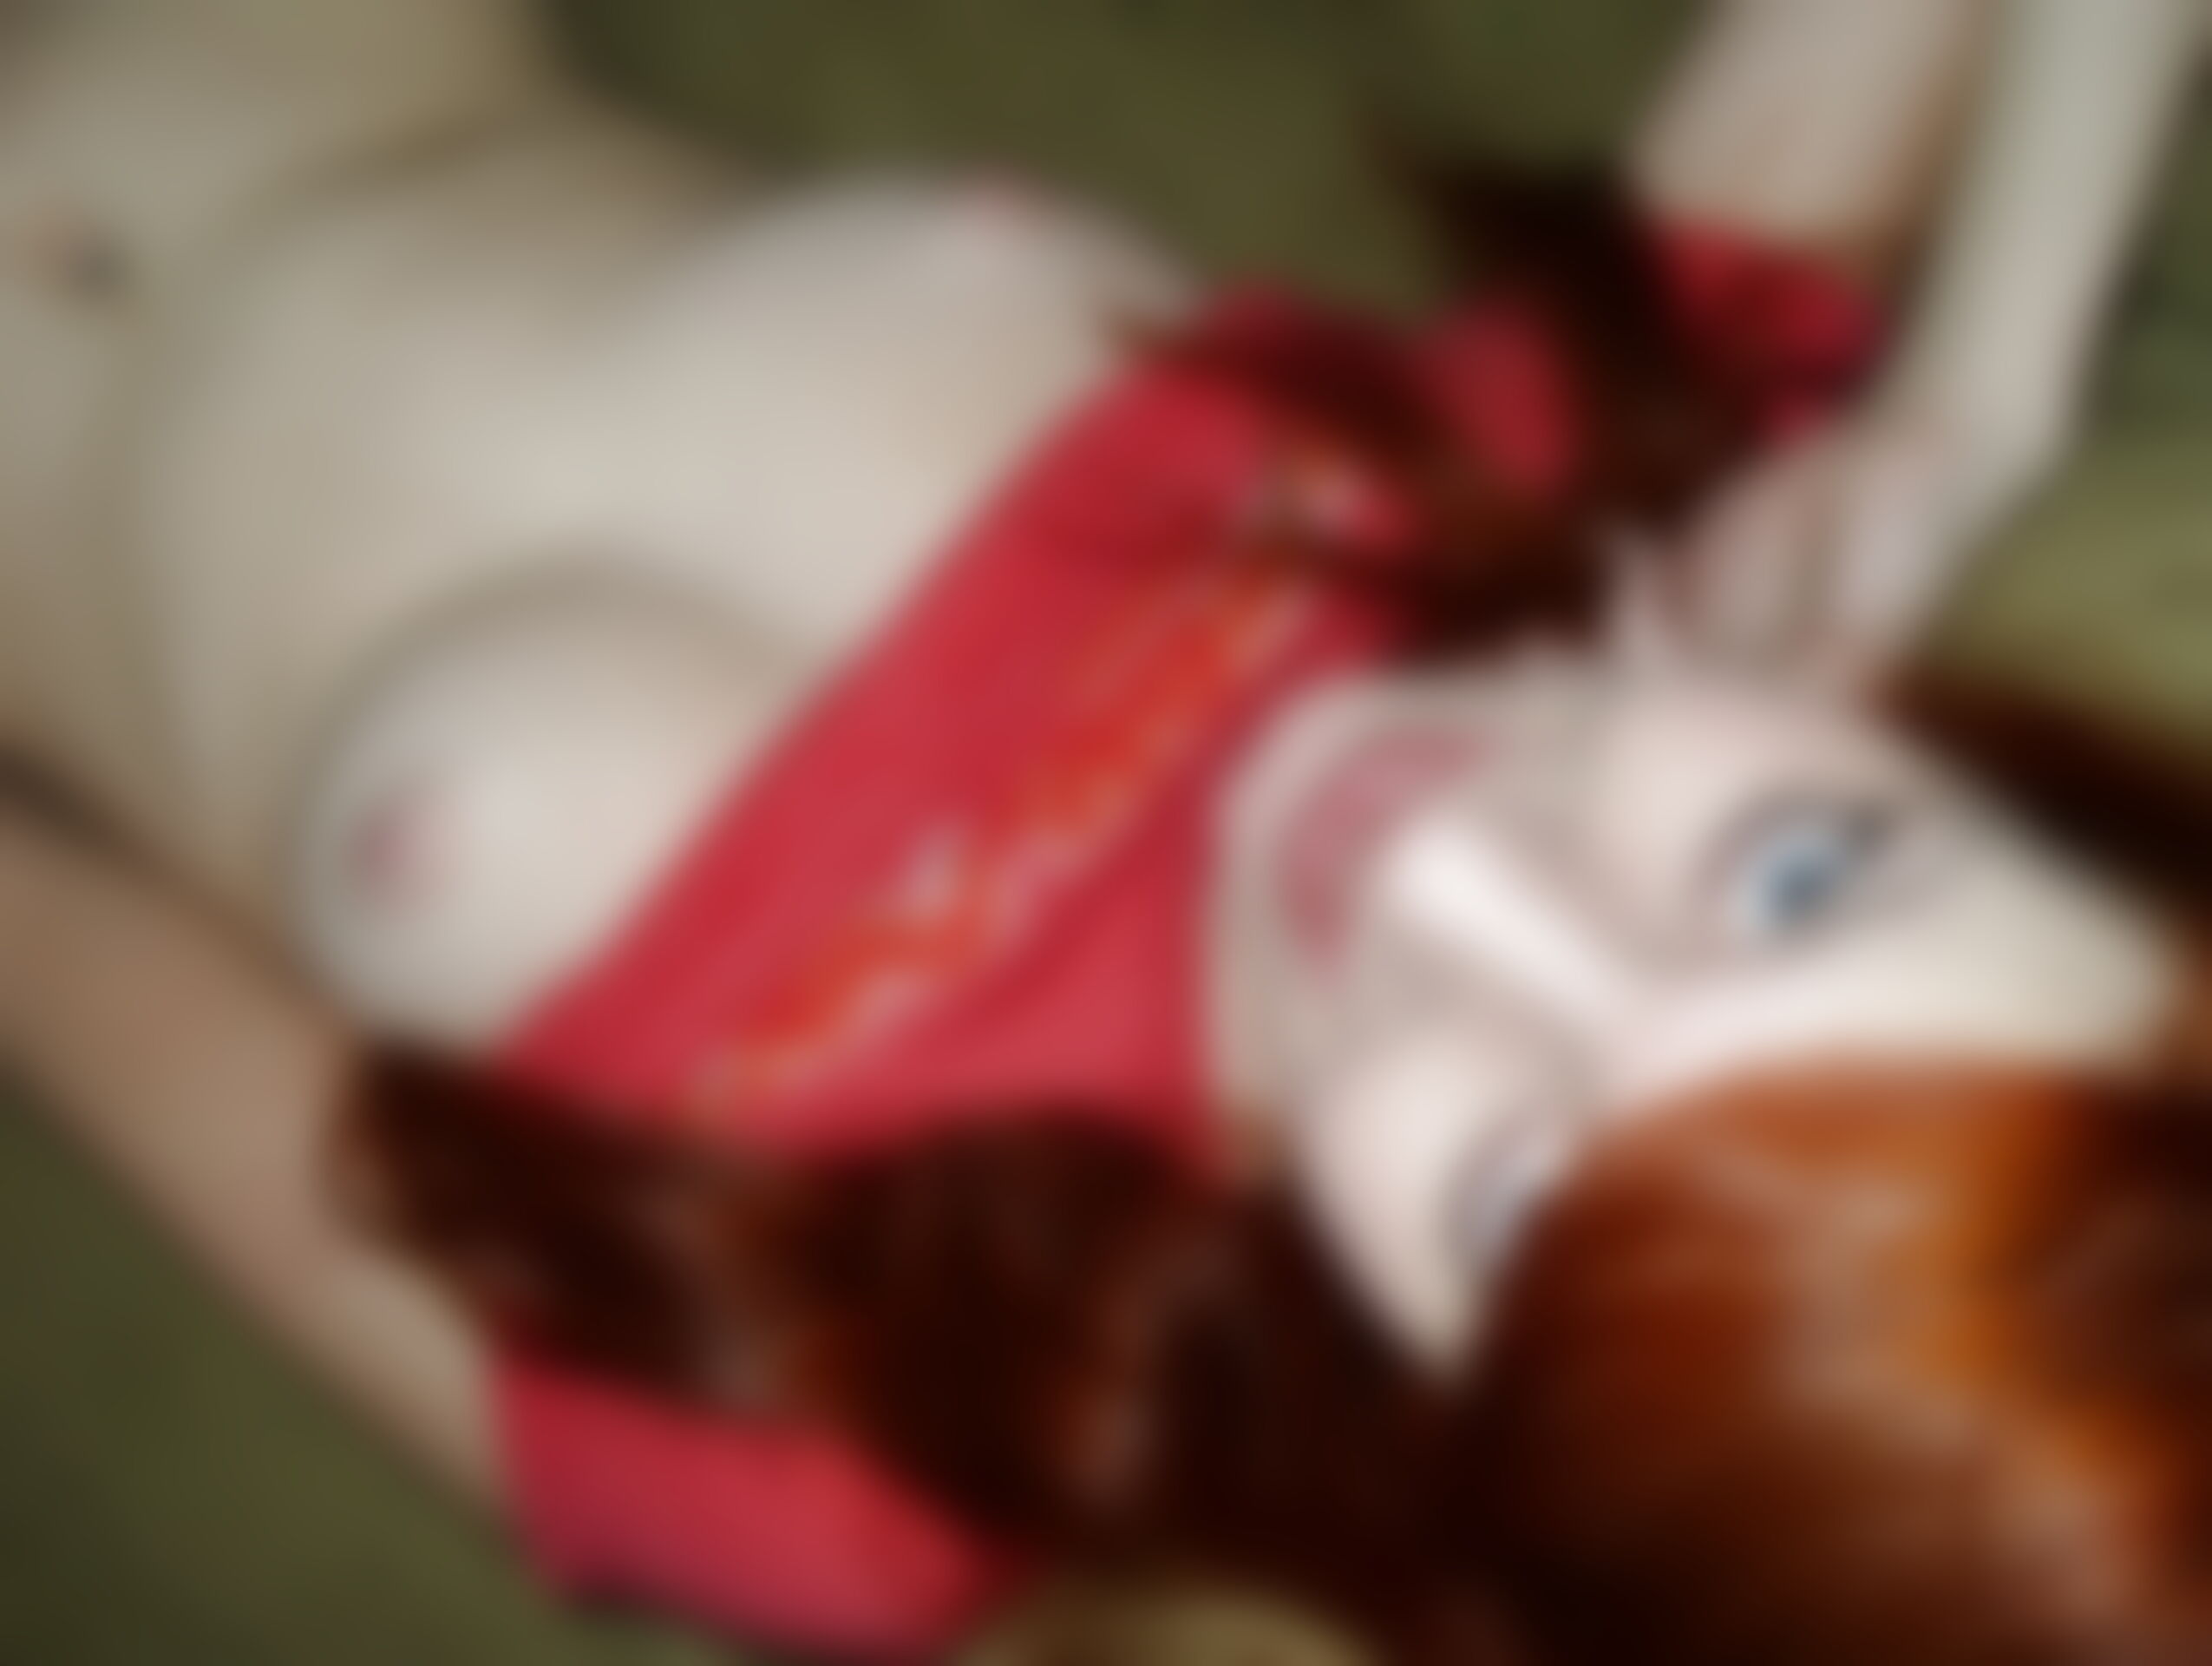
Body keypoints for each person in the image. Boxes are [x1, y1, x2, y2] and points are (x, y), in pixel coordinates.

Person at [1, 0, 2206, 1657]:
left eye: (1519, 1198)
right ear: (1968, 766)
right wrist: (1978, 400)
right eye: (1800, 879)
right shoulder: (1606, 457)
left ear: (1469, 1468)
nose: (1434, 865)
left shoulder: (871, 1443)